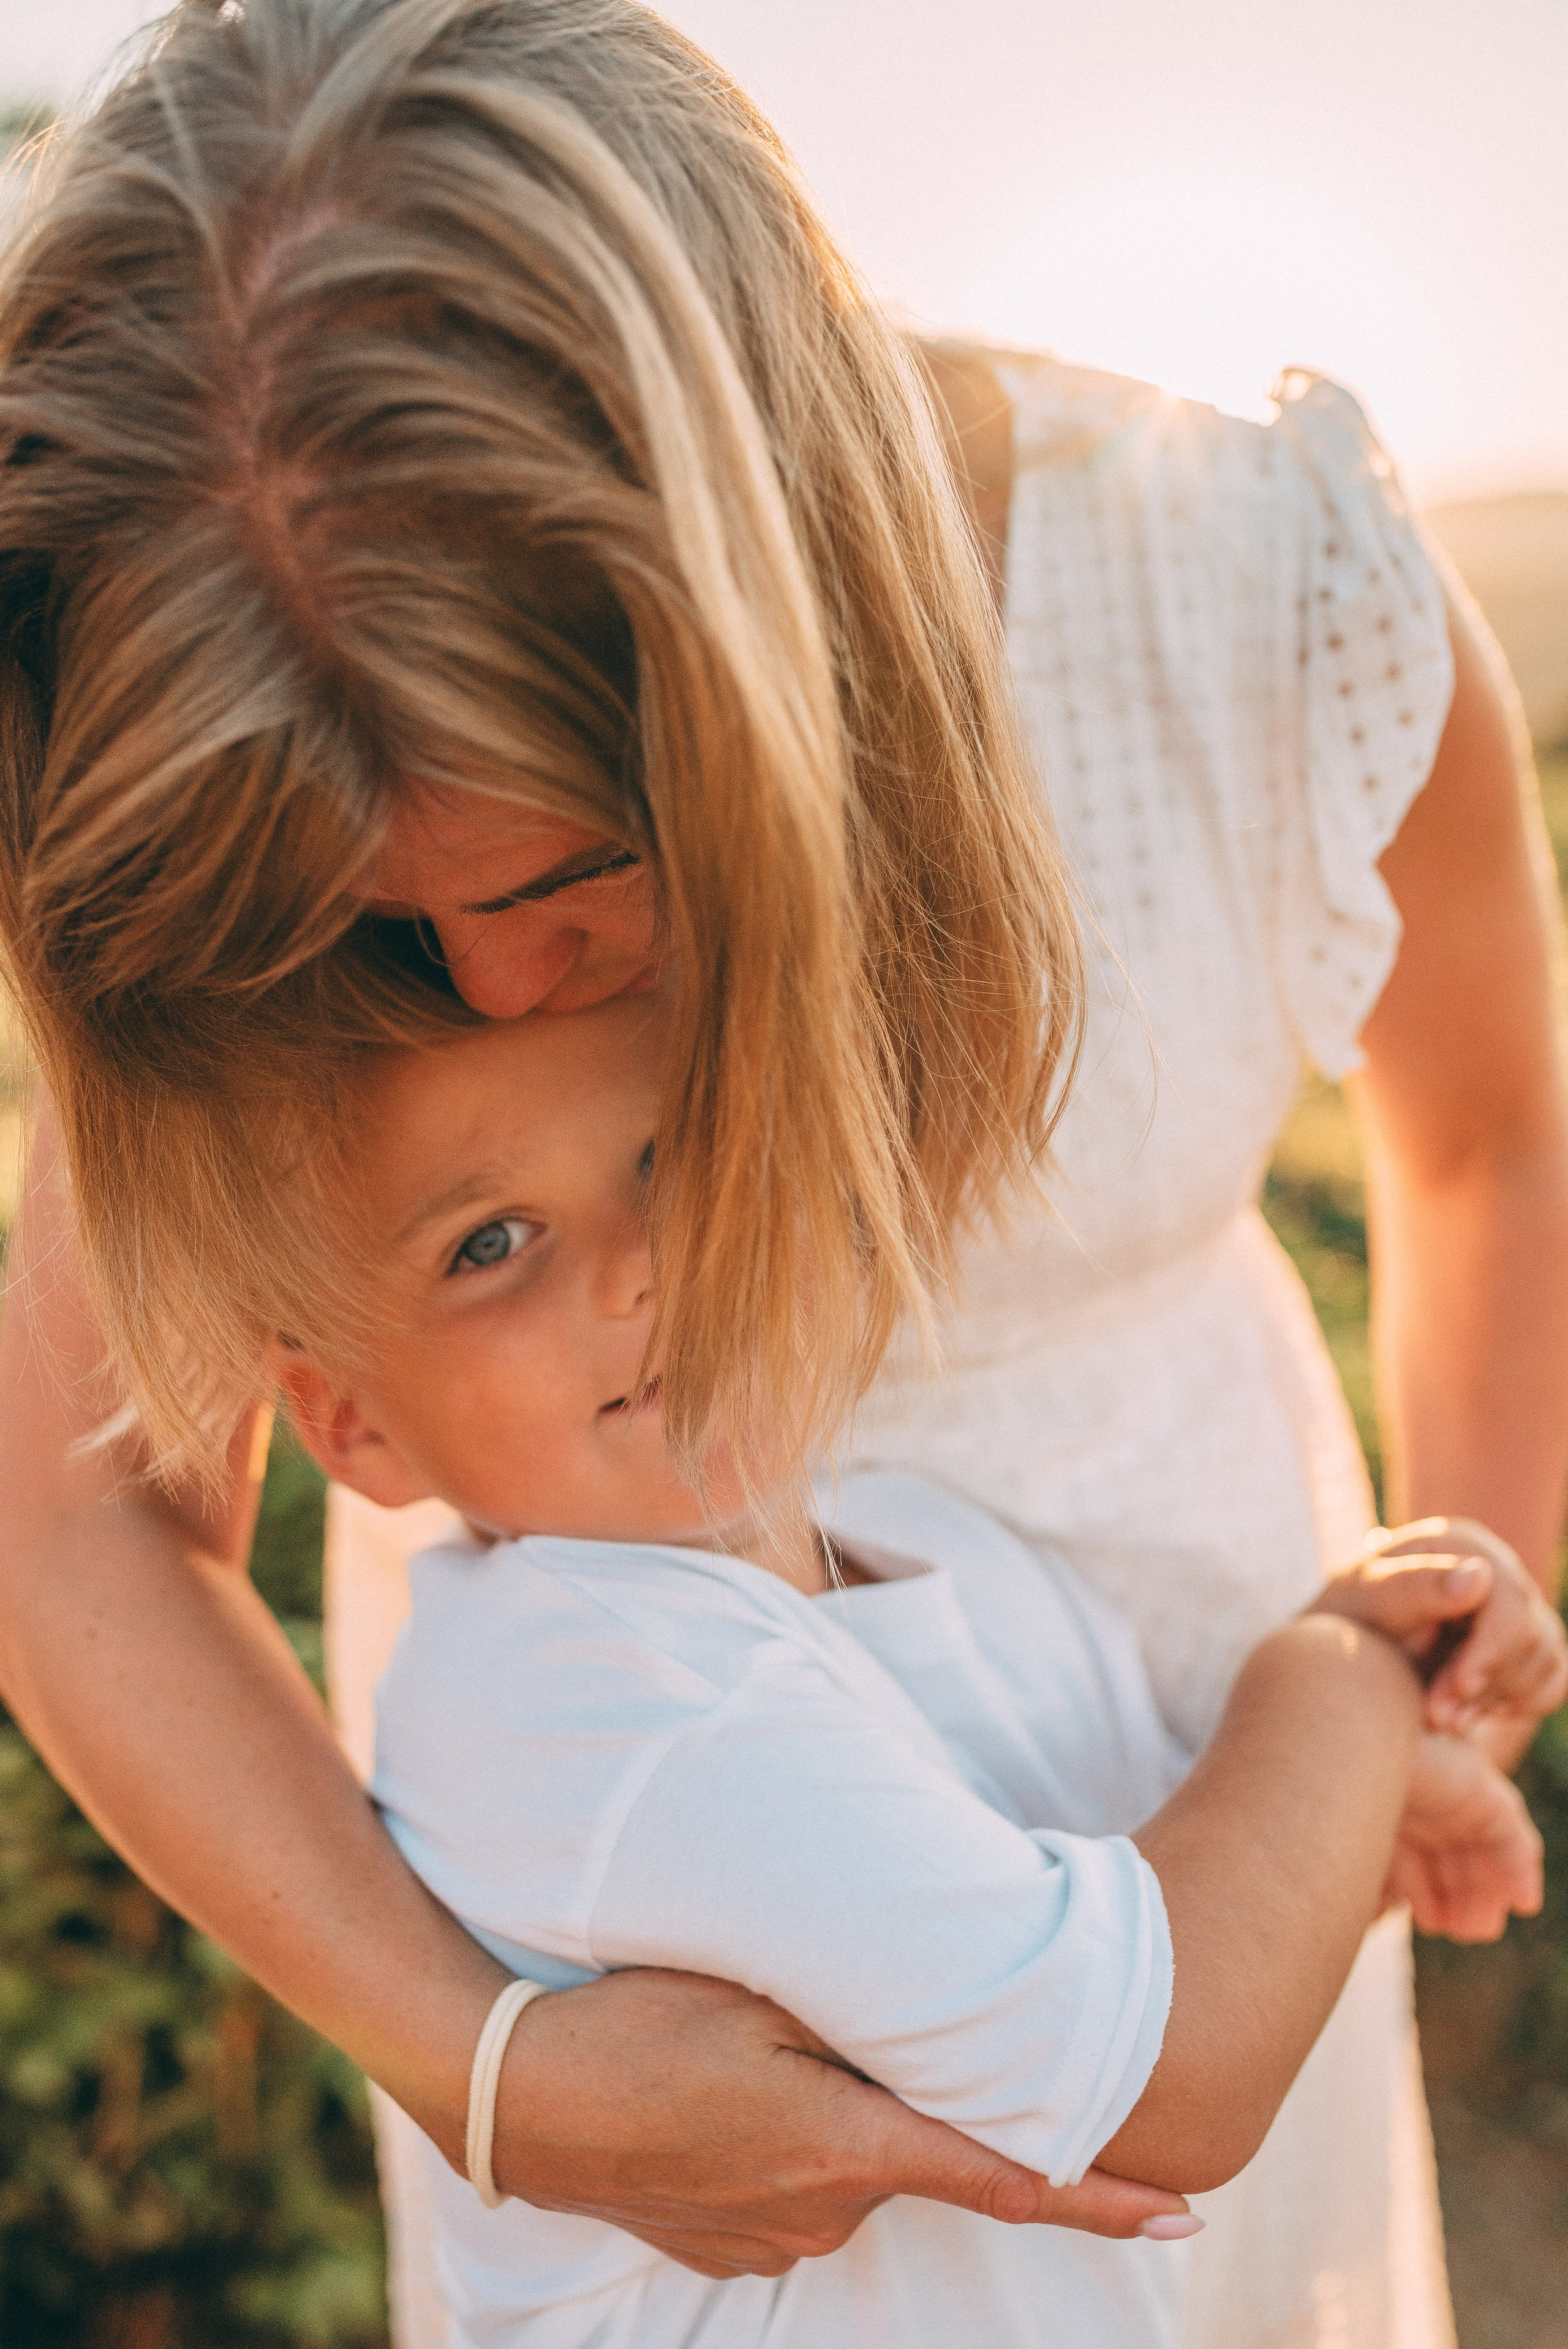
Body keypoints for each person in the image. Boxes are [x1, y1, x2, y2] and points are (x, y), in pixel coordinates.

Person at [0, 2, 1564, 2345]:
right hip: (645, 2001)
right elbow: (81, 1492)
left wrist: (1428, 1696)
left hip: (1224, 1821)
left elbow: (1495, 1135)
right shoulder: (289, 774)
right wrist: (493, 2060)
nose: (498, 992)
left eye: (575, 865)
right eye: (384, 922)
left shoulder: (1257, 591)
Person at [273, 983, 1541, 2348]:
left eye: (668, 1156)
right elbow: (1167, 2072)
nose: (643, 1258)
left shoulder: (939, 1560)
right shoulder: (576, 1691)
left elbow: (1165, 1923)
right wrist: (1343, 1667)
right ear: (349, 1420)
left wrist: (1364, 1819)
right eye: (491, 1241)